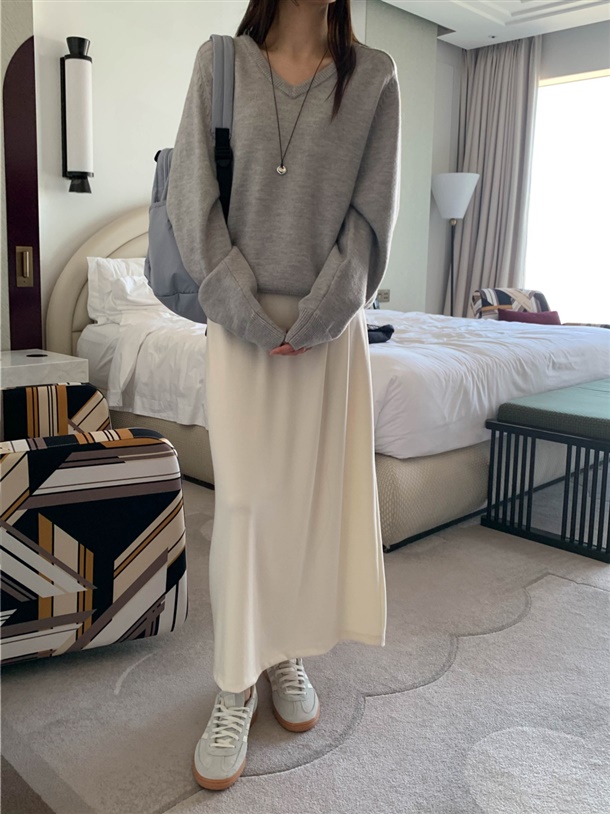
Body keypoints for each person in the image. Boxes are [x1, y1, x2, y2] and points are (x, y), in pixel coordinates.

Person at [166, 0, 401, 792]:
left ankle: (284, 652)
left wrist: (320, 315)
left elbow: (372, 218)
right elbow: (192, 200)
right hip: (238, 330)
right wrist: (247, 315)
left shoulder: (375, 78)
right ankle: (234, 681)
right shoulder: (221, 65)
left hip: (328, 335)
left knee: (303, 509)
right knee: (243, 509)